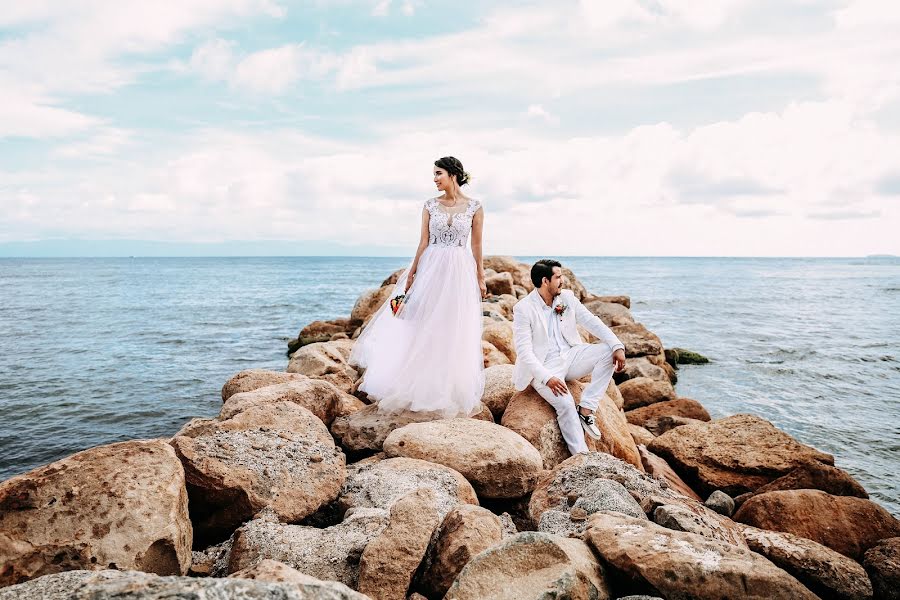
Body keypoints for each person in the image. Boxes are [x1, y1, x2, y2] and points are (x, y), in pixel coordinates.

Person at [349, 156, 486, 417]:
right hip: (431, 266)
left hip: (459, 269)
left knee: (451, 326)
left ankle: (445, 386)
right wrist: (412, 272)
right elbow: (423, 241)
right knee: (421, 322)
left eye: (438, 174)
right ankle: (414, 383)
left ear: (453, 175)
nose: (434, 179)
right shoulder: (430, 205)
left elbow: (476, 245)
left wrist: (480, 276)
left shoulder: (475, 207)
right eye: (434, 175)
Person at [512, 259, 627, 455]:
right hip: (545, 365)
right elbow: (524, 351)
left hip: (571, 354)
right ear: (545, 280)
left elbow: (592, 321)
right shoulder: (524, 308)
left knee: (608, 352)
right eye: (558, 277)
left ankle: (586, 409)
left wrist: (617, 345)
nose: (563, 281)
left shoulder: (566, 298)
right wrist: (547, 378)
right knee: (565, 403)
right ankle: (581, 456)